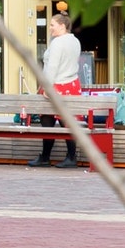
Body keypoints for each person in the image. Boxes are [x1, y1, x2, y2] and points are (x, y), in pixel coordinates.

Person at [30, 12, 82, 168]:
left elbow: (52, 67)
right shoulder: (75, 41)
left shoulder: (58, 42)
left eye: (52, 25)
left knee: (47, 121)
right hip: (72, 84)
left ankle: (46, 157)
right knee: (68, 123)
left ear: (62, 26)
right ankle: (71, 156)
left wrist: (46, 86)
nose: (50, 28)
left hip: (56, 85)